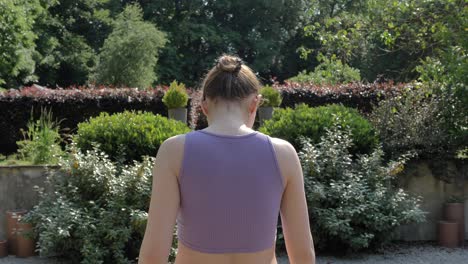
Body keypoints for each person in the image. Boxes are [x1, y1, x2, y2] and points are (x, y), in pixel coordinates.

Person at [138, 55, 315, 264]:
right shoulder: (284, 154)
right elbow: (303, 255)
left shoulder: (174, 151)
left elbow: (152, 257)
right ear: (254, 104)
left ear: (204, 106)